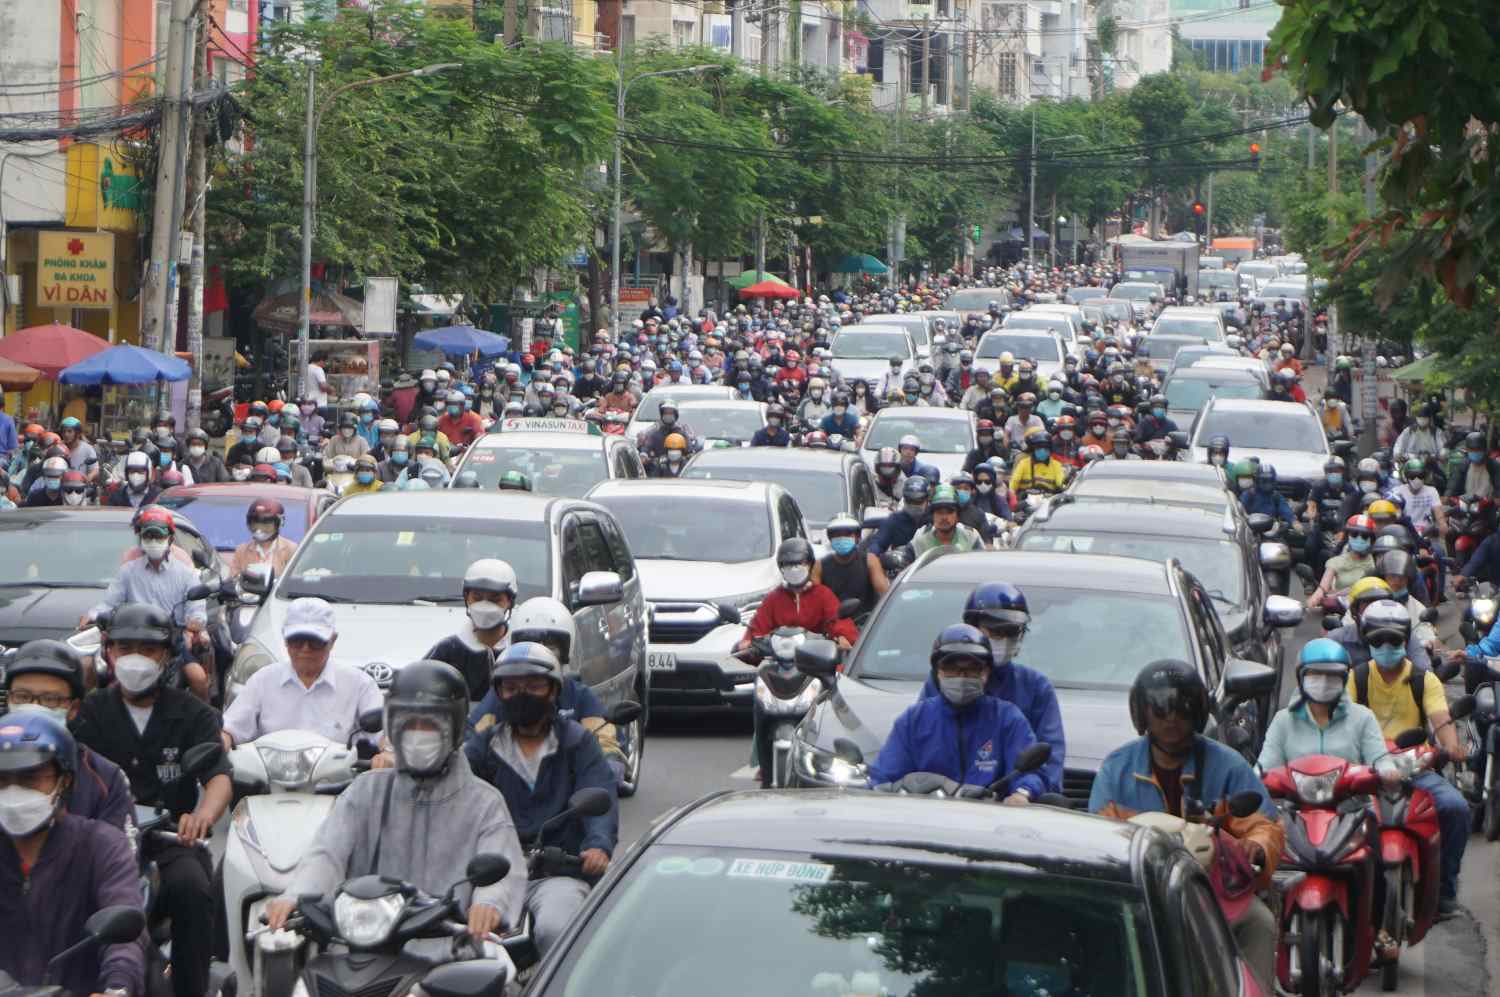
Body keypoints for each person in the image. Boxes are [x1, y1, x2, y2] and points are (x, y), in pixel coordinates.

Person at [266, 661, 527, 948]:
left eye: (429, 724)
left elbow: (503, 868)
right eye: (408, 723)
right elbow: (327, 853)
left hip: (451, 952)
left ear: (452, 728)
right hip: (362, 944)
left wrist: (488, 905)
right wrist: (295, 895)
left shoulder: (485, 803)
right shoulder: (365, 791)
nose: (417, 732)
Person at [1090, 660, 1284, 994]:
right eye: (1160, 710)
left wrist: (1257, 847)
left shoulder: (1228, 765)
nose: (1171, 719)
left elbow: (1266, 826)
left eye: (1182, 709)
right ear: (1142, 715)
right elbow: (1096, 837)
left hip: (1214, 890)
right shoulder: (1116, 768)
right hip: (1140, 893)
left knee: (1260, 923)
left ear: (1197, 713)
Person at [71, 603, 232, 997]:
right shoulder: (88, 713)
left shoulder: (193, 713)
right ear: (108, 652)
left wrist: (201, 817)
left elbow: (218, 777)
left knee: (193, 888)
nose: (135, 659)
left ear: (167, 654)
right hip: (99, 843)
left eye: (148, 649)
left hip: (169, 843)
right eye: (125, 648)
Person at [464, 643, 617, 956]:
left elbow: (599, 789)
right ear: (499, 693)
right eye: (511, 687)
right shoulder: (483, 746)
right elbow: (455, 794)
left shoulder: (577, 741)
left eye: (534, 686)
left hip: (556, 874)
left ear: (553, 691)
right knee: (456, 938)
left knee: (556, 931)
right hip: (494, 872)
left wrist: (598, 845)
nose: (522, 694)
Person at [0, 713, 146, 997]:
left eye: (30, 778)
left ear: (64, 782)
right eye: (2, 780)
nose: (13, 791)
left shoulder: (101, 845)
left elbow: (125, 934)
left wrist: (118, 986)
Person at [1346, 599, 1469, 915]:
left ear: (1405, 640)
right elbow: (1342, 723)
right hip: (1366, 772)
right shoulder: (1355, 678)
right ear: (1367, 641)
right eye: (1378, 641)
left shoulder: (1423, 679)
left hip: (1414, 767)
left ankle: (1444, 891)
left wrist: (1452, 746)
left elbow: (1441, 719)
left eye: (1394, 640)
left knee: (1455, 808)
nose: (1386, 647)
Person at [906, 583, 1065, 793]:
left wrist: (1025, 793)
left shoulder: (1035, 688)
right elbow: (918, 747)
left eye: (1013, 632)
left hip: (1013, 809)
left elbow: (1048, 766)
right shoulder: (942, 681)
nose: (1005, 639)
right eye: (997, 631)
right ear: (971, 628)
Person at [867, 624, 1042, 804]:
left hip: (988, 820)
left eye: (972, 669)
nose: (962, 676)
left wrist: (1022, 793)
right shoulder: (914, 719)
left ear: (986, 673)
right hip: (924, 819)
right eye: (952, 668)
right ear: (938, 672)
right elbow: (884, 777)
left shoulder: (1007, 718)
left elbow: (1027, 774)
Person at [465, 598, 623, 780]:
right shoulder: (501, 694)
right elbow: (472, 736)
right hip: (508, 788)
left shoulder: (579, 695)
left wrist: (611, 761)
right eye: (530, 645)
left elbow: (604, 739)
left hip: (566, 792)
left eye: (550, 646)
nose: (540, 653)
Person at [1, 639, 133, 829]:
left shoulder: (106, 779)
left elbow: (120, 853)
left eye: (50, 699)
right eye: (22, 697)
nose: (33, 707)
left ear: (73, 708)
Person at [220, 598, 382, 748]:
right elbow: (231, 728)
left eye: (315, 641)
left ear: (332, 641)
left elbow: (384, 737)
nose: (305, 649)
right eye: (297, 640)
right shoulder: (263, 680)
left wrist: (386, 752)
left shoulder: (359, 684)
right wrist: (221, 746)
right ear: (285, 639)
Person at [87, 507, 212, 702]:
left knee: (198, 678)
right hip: (132, 638)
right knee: (91, 669)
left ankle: (206, 723)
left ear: (170, 539)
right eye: (149, 536)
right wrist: (92, 616)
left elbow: (197, 611)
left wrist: (195, 623)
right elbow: (109, 604)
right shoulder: (128, 571)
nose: (153, 541)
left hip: (171, 639)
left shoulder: (186, 574)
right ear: (141, 539)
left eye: (158, 536)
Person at [736, 538, 859, 653]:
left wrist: (843, 636)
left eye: (801, 563)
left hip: (816, 659)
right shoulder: (773, 599)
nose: (794, 569)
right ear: (781, 567)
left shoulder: (823, 594)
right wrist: (747, 643)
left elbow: (837, 621)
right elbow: (758, 627)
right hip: (779, 659)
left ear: (810, 565)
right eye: (788, 564)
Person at [425, 559, 518, 703]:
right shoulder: (447, 651)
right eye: (477, 598)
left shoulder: (520, 650)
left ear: (510, 602)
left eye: (495, 599)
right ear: (466, 598)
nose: (485, 606)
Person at [810, 513, 887, 618]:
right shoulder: (820, 566)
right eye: (837, 535)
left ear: (857, 537)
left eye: (847, 534)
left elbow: (884, 593)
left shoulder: (870, 561)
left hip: (865, 624)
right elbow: (813, 601)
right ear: (830, 538)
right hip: (832, 624)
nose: (842, 538)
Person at [1306, 513, 1378, 609]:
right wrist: (1314, 600)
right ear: (1348, 536)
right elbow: (1322, 590)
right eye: (1354, 534)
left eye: (1364, 536)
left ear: (1371, 539)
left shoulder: (1377, 563)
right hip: (1340, 610)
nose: (1359, 539)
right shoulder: (1336, 562)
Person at [227, 497, 298, 578]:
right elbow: (233, 580)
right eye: (255, 525)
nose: (259, 531)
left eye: (266, 525)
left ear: (280, 523)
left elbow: (295, 581)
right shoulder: (242, 550)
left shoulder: (291, 550)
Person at [908, 484, 984, 555]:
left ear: (957, 515)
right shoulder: (920, 541)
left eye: (949, 512)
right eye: (939, 512)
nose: (944, 517)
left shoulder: (971, 538)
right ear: (932, 515)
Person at [868, 476, 929, 555]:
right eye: (910, 501)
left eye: (918, 502)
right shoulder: (895, 520)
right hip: (903, 564)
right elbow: (877, 545)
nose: (914, 506)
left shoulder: (935, 518)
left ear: (927, 500)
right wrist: (874, 553)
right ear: (904, 500)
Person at [1397, 456, 1447, 536]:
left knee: (1438, 549)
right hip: (1405, 534)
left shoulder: (1431, 491)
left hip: (1427, 534)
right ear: (1406, 477)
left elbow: (1438, 511)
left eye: (1420, 476)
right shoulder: (1398, 492)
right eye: (1412, 476)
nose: (1417, 480)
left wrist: (1442, 524)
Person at [1008, 428, 1068, 494]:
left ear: (1049, 450)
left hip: (1047, 500)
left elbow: (1061, 483)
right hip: (1026, 499)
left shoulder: (1056, 465)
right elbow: (1014, 483)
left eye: (1045, 448)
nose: (1042, 451)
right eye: (1039, 448)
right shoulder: (1023, 463)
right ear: (1033, 449)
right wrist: (1012, 496)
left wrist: (1065, 481)